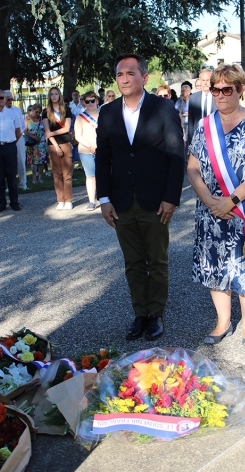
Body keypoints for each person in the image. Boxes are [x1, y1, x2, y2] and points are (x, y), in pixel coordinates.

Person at [96, 53, 184, 341]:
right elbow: (103, 158)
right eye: (120, 74)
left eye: (130, 73)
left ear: (144, 78)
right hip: (121, 201)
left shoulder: (163, 108)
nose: (124, 78)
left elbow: (176, 156)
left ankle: (156, 313)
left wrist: (171, 198)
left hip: (155, 200)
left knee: (156, 261)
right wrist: (104, 199)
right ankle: (140, 313)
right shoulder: (108, 113)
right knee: (133, 262)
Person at [187, 64, 245, 348]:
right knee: (215, 266)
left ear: (239, 90)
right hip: (212, 211)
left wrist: (231, 200)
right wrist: (210, 201)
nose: (221, 95)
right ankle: (223, 321)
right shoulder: (204, 125)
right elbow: (192, 168)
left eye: (228, 89)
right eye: (216, 89)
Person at [42, 87, 74, 209]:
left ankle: (68, 200)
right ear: (49, 97)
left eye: (56, 94)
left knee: (67, 174)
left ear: (59, 96)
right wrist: (56, 146)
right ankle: (60, 200)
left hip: (65, 143)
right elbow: (47, 131)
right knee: (57, 174)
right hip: (53, 145)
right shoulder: (45, 112)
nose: (54, 96)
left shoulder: (66, 110)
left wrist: (52, 133)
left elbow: (66, 128)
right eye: (52, 94)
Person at [0, 89, 21, 212]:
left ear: (5, 99)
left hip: (10, 146)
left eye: (1, 98)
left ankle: (14, 202)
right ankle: (1, 203)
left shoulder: (12, 113)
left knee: (11, 175)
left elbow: (18, 131)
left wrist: (11, 142)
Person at [74, 91, 99, 210]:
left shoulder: (103, 114)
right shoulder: (80, 117)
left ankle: (106, 198)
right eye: (87, 101)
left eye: (92, 101)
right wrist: (90, 146)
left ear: (97, 101)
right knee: (90, 176)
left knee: (104, 174)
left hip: (102, 150)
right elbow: (78, 136)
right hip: (86, 150)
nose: (90, 103)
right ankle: (92, 201)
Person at [4, 91, 27, 190]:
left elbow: (21, 125)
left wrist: (17, 136)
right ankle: (9, 185)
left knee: (21, 160)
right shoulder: (0, 112)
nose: (10, 101)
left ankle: (23, 183)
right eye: (8, 99)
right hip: (6, 139)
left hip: (18, 137)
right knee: (7, 163)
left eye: (11, 99)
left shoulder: (17, 110)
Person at [188, 69, 217, 145]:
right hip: (198, 139)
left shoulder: (218, 97)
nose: (205, 83)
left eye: (207, 80)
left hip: (215, 138)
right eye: (203, 80)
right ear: (200, 81)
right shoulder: (193, 98)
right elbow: (191, 122)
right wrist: (191, 142)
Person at [24, 105, 47, 184]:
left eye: (39, 112)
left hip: (42, 142)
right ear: (31, 110)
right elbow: (25, 131)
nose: (37, 113)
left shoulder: (42, 119)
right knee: (34, 161)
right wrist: (33, 137)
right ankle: (34, 178)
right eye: (36, 111)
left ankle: (40, 177)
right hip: (32, 143)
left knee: (42, 161)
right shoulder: (27, 119)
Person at [175, 83, 192, 165]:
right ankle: (185, 163)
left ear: (189, 92)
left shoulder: (192, 100)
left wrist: (184, 114)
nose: (182, 92)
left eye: (184, 91)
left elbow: (192, 113)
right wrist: (181, 103)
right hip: (183, 124)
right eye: (181, 91)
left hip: (191, 123)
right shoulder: (179, 101)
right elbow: (177, 113)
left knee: (191, 142)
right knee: (184, 143)